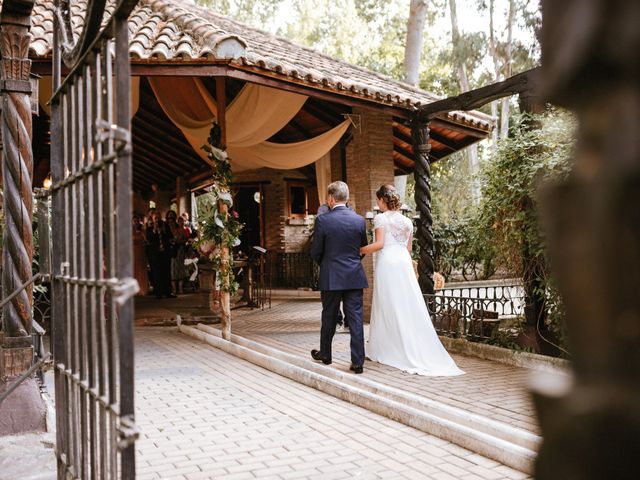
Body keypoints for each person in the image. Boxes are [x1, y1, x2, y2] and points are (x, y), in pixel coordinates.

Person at [361, 184, 463, 376]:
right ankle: (406, 343)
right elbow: (408, 249)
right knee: (406, 303)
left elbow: (380, 244)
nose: (377, 204)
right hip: (403, 264)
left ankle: (384, 348)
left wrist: (360, 250)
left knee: (386, 304)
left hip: (388, 264)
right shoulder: (407, 222)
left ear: (383, 200)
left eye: (378, 200)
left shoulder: (381, 218)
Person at [310, 181, 368, 374]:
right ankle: (358, 362)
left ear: (331, 198)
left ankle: (326, 354)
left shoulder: (323, 220)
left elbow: (316, 251)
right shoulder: (359, 220)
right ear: (347, 198)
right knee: (356, 319)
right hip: (354, 276)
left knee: (329, 316)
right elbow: (362, 248)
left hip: (331, 277)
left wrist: (327, 265)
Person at [315, 203, 348, 334]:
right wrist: (323, 262)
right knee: (331, 301)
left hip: (345, 264)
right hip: (329, 262)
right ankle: (337, 321)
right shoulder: (322, 211)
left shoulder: (350, 212)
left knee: (346, 297)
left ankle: (347, 323)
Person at [146, 210, 174, 298]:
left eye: (158, 217)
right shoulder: (149, 228)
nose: (157, 220)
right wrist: (154, 230)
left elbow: (170, 237)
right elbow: (149, 239)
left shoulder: (165, 226)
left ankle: (168, 292)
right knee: (156, 273)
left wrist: (164, 231)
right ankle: (158, 293)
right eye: (155, 218)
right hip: (155, 254)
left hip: (165, 253)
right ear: (153, 219)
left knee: (166, 272)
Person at [132, 214, 149, 296]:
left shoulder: (143, 230)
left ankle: (142, 288)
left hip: (141, 252)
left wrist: (142, 235)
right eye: (134, 221)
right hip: (133, 252)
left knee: (141, 269)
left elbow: (146, 241)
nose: (136, 223)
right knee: (134, 269)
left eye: (137, 221)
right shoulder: (130, 230)